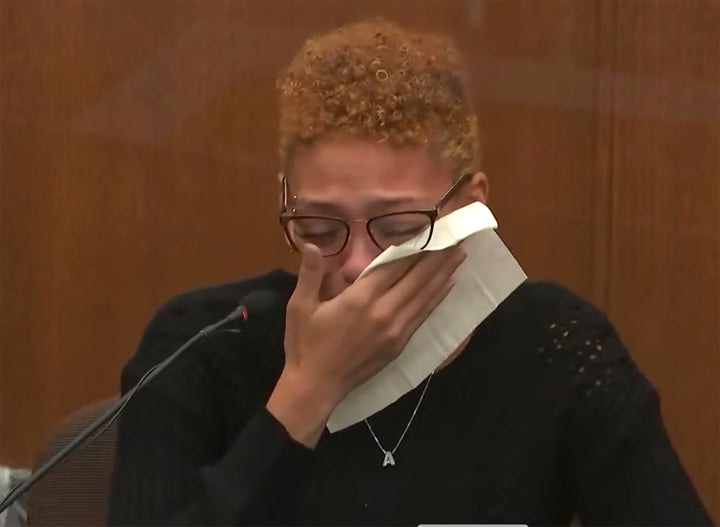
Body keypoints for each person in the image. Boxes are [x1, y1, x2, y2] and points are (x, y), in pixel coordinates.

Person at [107, 18, 712, 526]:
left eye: (399, 230)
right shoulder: (203, 345)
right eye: (319, 228)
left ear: (469, 210)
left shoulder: (555, 346)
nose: (357, 266)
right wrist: (306, 393)